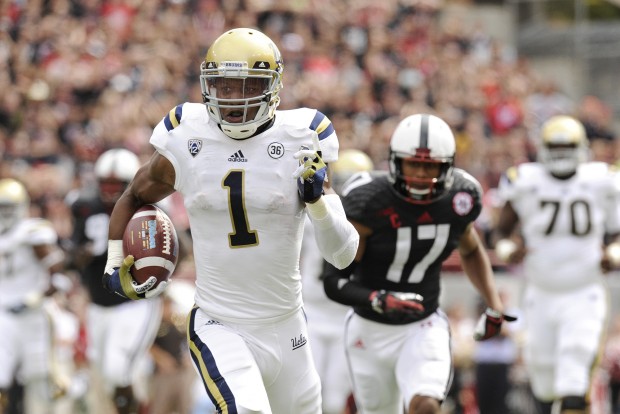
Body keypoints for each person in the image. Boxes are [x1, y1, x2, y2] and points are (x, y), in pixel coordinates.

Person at [101, 27, 359, 413]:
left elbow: (344, 255)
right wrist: (113, 260)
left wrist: (318, 202)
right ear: (208, 85)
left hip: (288, 326)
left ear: (272, 87)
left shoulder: (302, 138)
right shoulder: (187, 137)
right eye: (224, 86)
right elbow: (134, 195)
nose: (234, 98)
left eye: (247, 85)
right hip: (220, 323)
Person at [321, 113, 514, 414]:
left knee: (425, 405)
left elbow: (471, 250)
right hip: (369, 327)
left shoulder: (458, 199)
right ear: (397, 162)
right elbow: (334, 281)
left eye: (431, 166)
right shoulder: (368, 201)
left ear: (448, 166)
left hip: (423, 324)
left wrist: (494, 305)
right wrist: (380, 299)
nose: (422, 175)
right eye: (414, 164)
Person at [494, 115, 620, 414]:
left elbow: (618, 233)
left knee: (574, 370)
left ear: (582, 148)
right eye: (555, 148)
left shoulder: (602, 179)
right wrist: (508, 247)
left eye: (568, 148)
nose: (561, 155)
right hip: (540, 291)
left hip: (584, 290)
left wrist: (614, 252)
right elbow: (502, 229)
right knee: (544, 380)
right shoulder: (525, 180)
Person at [67, 148, 163, 414]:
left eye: (116, 185)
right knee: (106, 376)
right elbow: (72, 253)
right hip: (98, 304)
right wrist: (79, 255)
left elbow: (176, 251)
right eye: (105, 184)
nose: (109, 191)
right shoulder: (84, 206)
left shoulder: (148, 210)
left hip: (133, 304)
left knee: (118, 370)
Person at [300, 148, 374, 414]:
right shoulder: (315, 212)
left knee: (333, 398)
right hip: (313, 311)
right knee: (308, 394)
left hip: (345, 315)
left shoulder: (368, 221)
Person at [0, 178, 68, 414]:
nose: (5, 213)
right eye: (2, 208)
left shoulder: (31, 231)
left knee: (40, 378)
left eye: (9, 207)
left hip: (33, 314)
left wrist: (37, 296)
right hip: (3, 315)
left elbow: (56, 268)